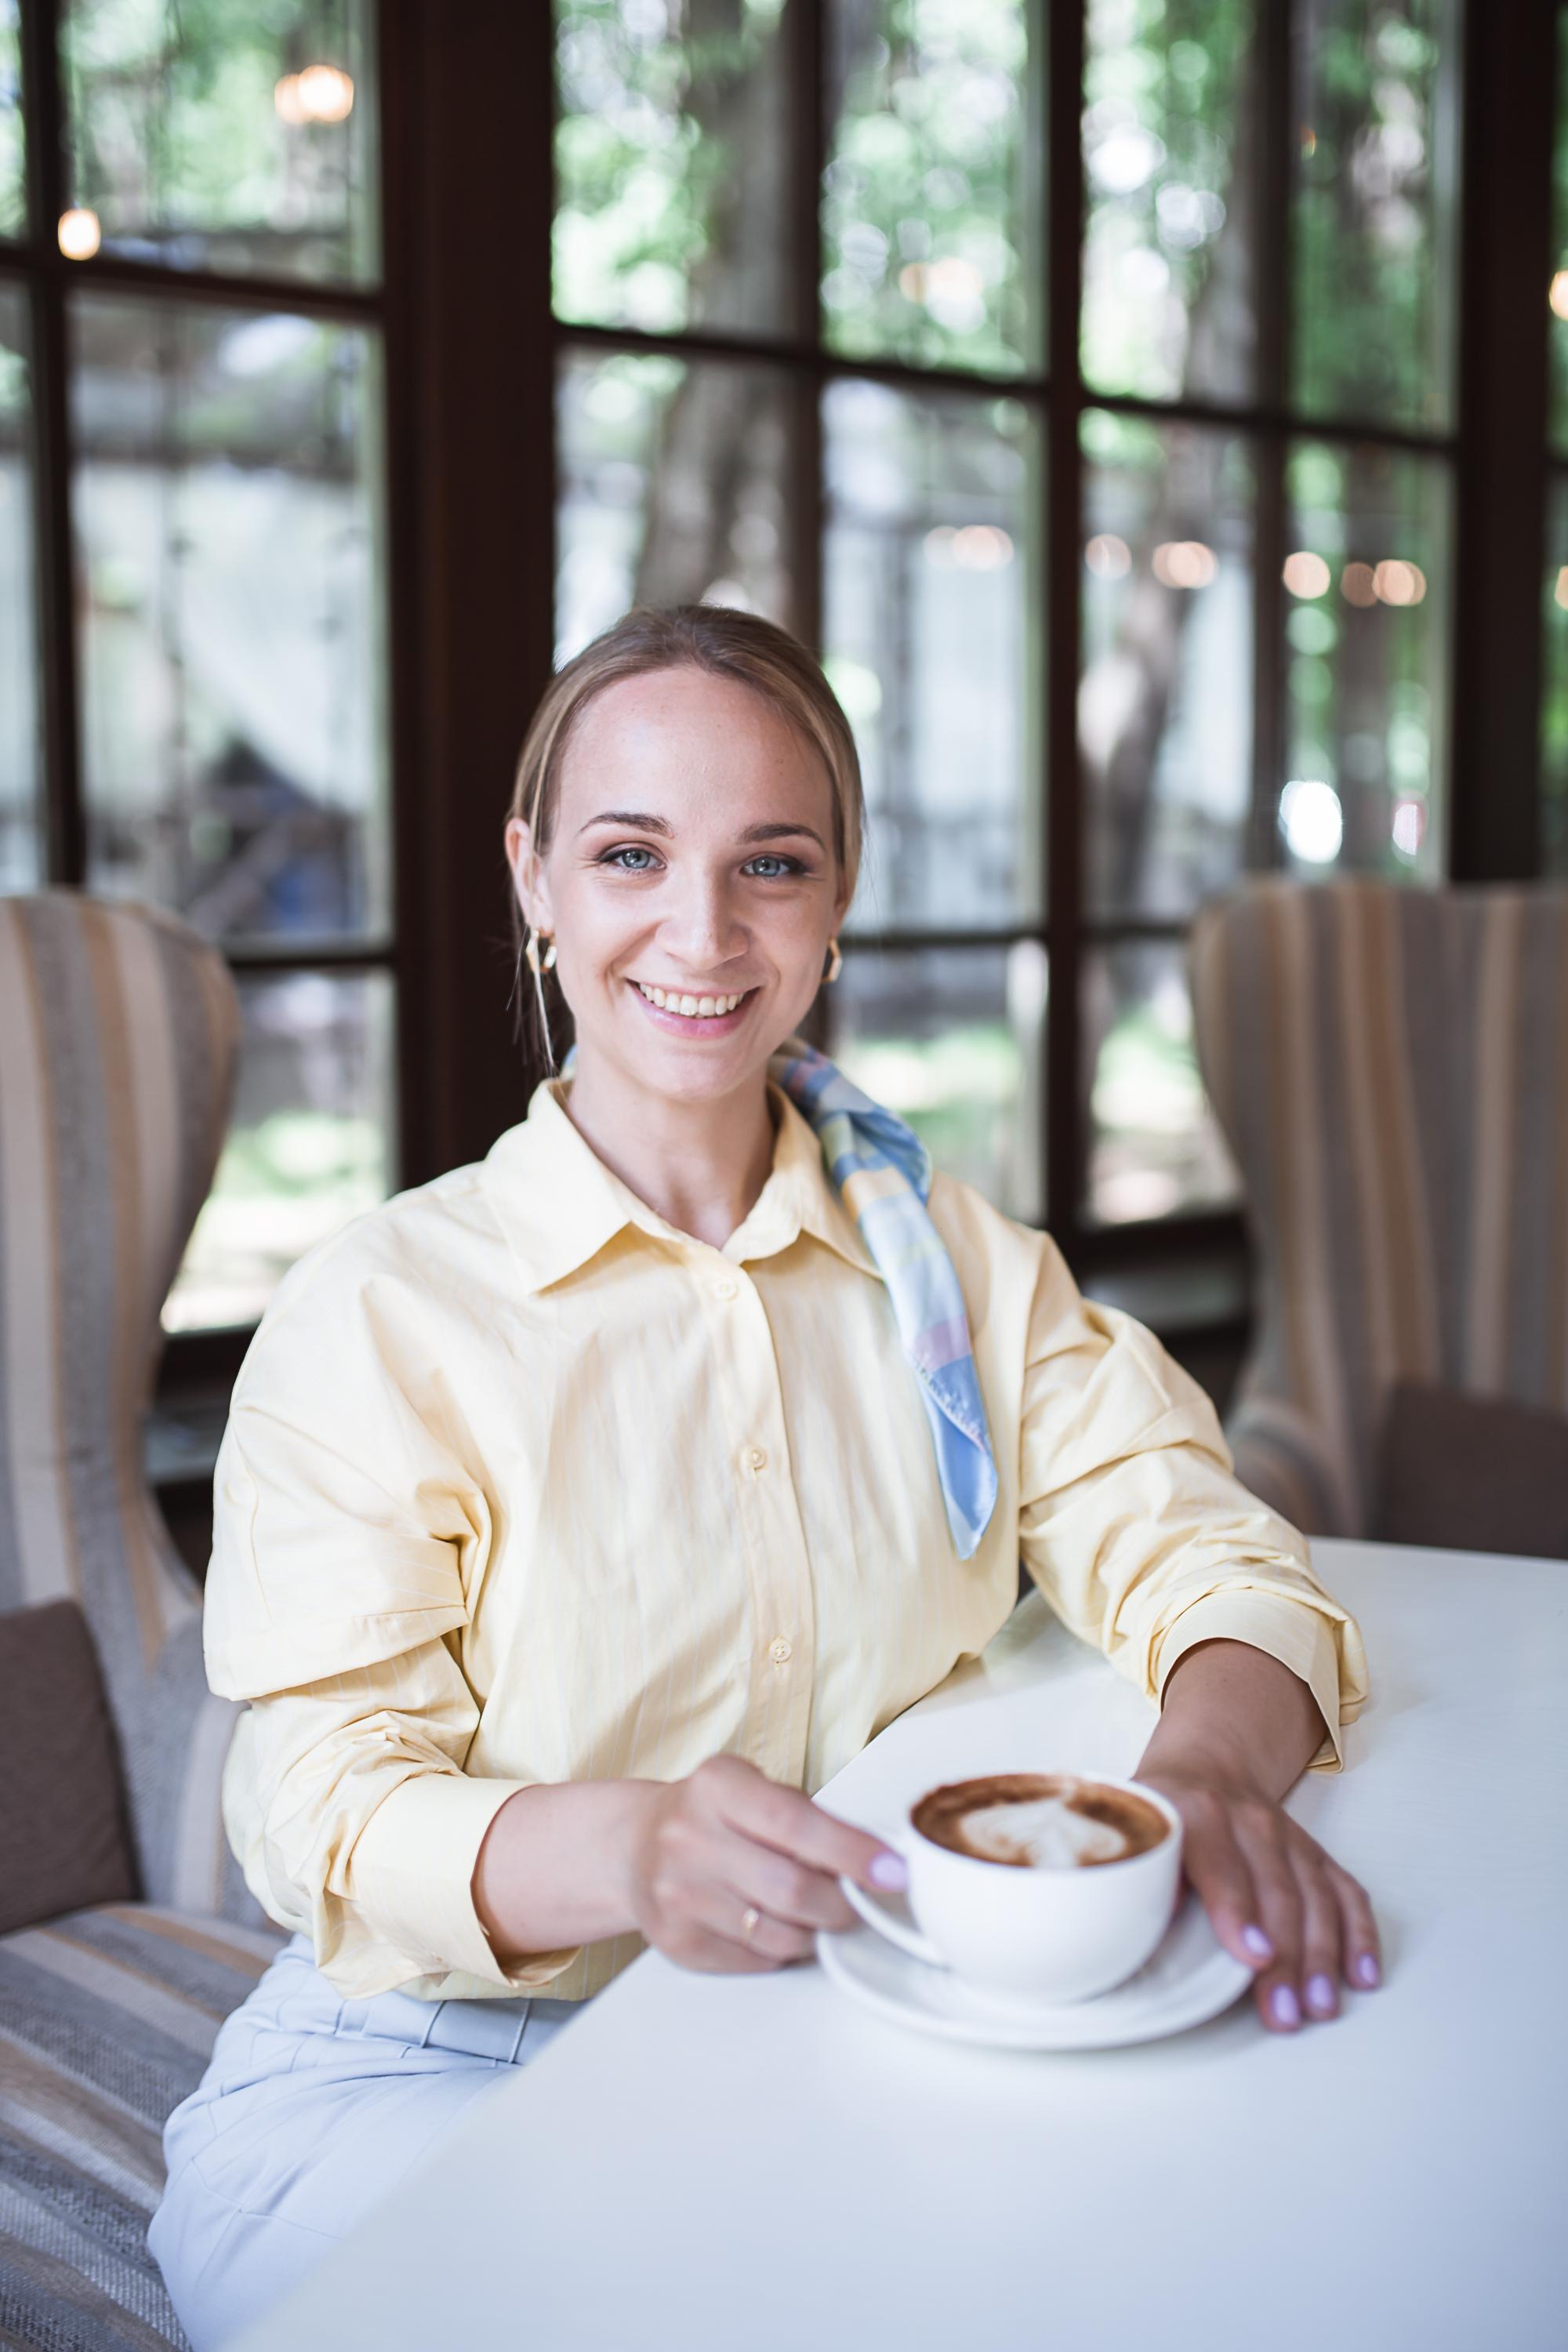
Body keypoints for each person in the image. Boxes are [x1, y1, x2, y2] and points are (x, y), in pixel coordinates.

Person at [149, 605, 1375, 2347]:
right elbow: (322, 1819)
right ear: (535, 880)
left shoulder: (951, 1266)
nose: (701, 933)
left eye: (771, 866)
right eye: (629, 853)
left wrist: (1209, 1785)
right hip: (419, 2077)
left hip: (842, 2028)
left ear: (839, 896)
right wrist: (631, 1851)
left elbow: (1215, 1557)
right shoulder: (383, 1317)